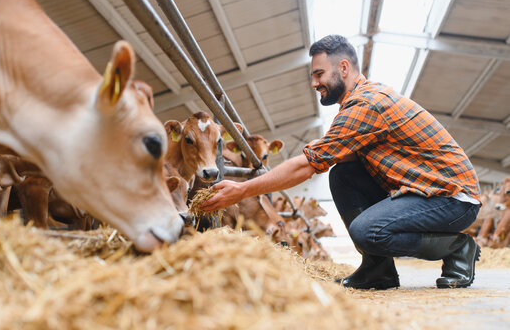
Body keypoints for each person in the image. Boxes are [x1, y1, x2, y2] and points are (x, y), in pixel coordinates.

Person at [200, 35, 481, 290]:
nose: (314, 83)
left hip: (454, 199)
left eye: (319, 74)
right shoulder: (362, 101)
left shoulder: (365, 105)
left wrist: (242, 190)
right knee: (344, 173)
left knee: (366, 231)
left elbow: (306, 165)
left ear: (343, 68)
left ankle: (456, 248)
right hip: (426, 194)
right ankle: (378, 270)